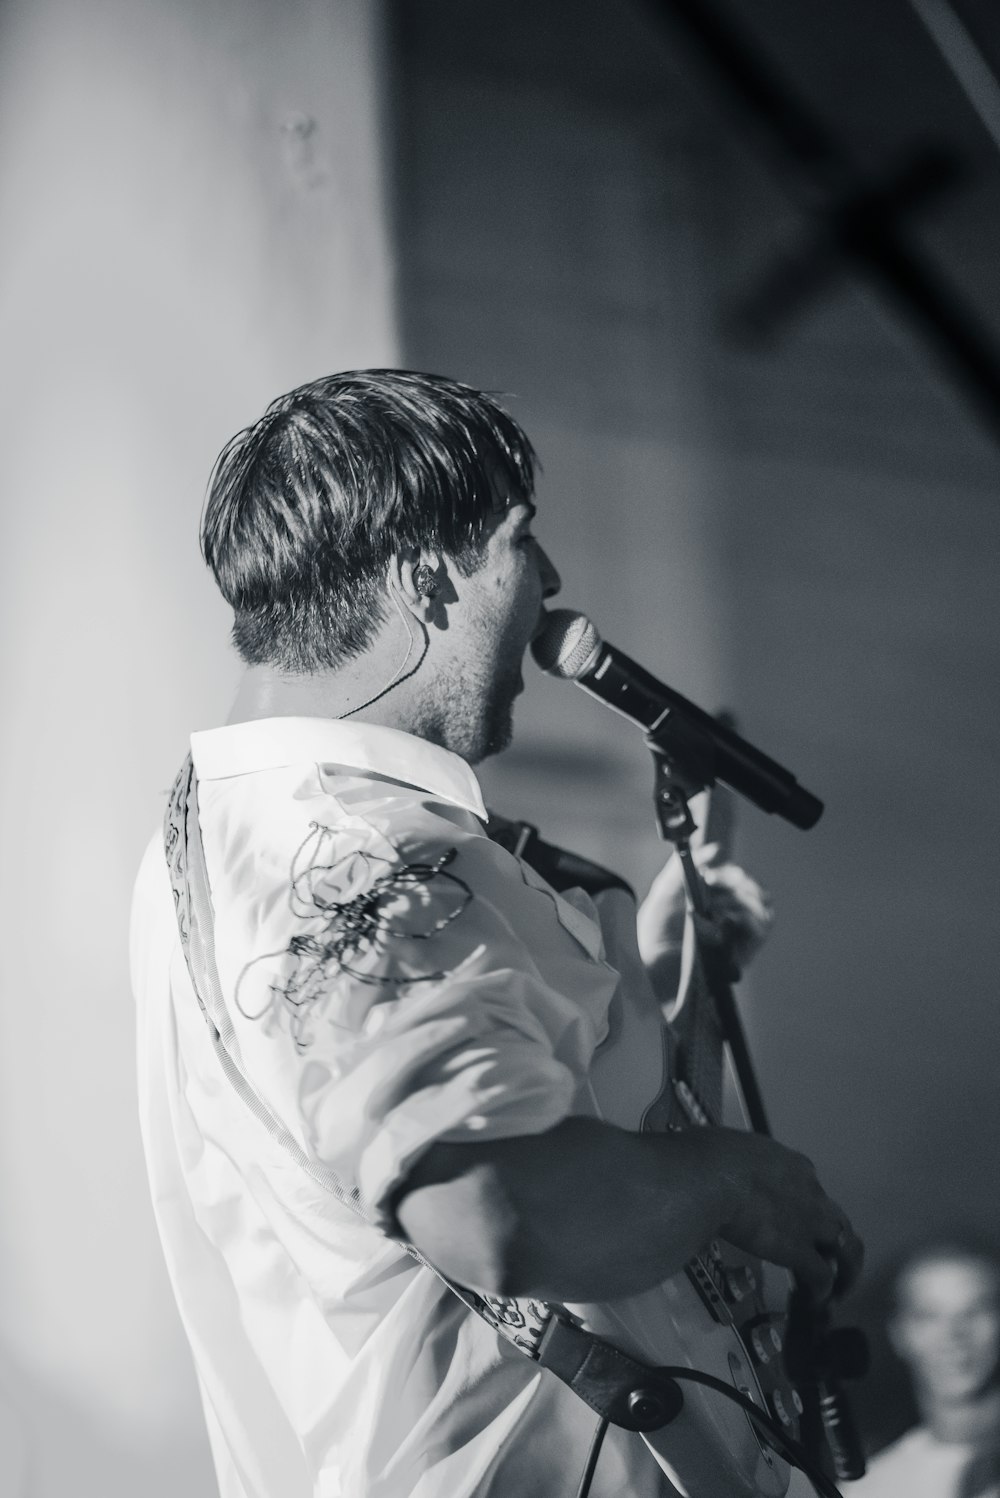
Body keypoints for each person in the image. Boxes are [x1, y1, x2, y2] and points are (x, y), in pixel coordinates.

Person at [130, 369, 863, 1498]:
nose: (554, 583)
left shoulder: (269, 829)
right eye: (520, 542)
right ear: (427, 577)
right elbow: (494, 1206)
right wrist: (730, 1179)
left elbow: (498, 1142)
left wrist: (662, 1001)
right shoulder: (350, 849)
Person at [848, 1243, 1000, 1498]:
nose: (954, 1335)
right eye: (929, 1316)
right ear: (899, 1333)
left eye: (976, 1311)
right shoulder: (867, 1490)